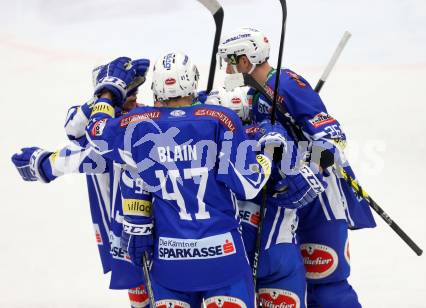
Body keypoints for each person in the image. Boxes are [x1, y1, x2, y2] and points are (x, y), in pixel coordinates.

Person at [84, 53, 287, 307]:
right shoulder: (220, 119)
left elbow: (96, 132)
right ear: (193, 81)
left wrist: (108, 92)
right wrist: (268, 152)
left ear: (156, 88)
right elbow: (249, 184)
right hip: (223, 258)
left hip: (169, 262)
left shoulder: (139, 124)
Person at [218, 27, 377, 308]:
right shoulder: (256, 95)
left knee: (326, 283)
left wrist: (315, 160)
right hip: (286, 203)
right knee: (292, 287)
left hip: (319, 198)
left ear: (246, 60)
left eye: (232, 60)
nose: (229, 68)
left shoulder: (286, 82)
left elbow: (331, 134)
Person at [11, 60, 151, 308]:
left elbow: (90, 156)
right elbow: (73, 128)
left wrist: (45, 163)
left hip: (148, 223)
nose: (134, 94)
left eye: (136, 88)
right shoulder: (101, 125)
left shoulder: (138, 121)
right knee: (140, 297)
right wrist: (107, 91)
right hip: (121, 227)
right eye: (128, 90)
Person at [206, 87, 328, 307]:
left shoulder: (207, 146)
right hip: (279, 251)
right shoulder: (274, 133)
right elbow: (314, 172)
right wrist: (315, 161)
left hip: (227, 255)